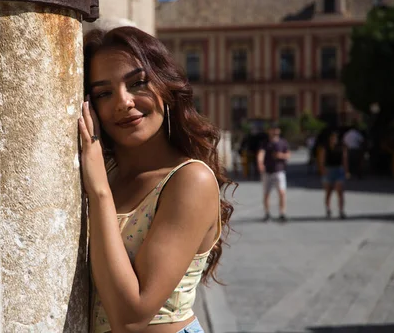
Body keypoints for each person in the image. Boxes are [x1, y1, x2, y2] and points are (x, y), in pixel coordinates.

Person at [78, 27, 234, 333]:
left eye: (137, 83)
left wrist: (99, 192)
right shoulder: (108, 173)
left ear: (165, 87)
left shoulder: (190, 179)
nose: (123, 102)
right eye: (103, 93)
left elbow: (130, 318)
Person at [257, 123, 291, 222]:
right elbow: (261, 153)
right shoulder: (265, 143)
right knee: (266, 193)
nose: (274, 132)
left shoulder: (283, 142)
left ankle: (282, 213)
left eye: (276, 130)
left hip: (279, 171)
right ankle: (267, 213)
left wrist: (281, 155)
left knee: (282, 192)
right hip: (267, 171)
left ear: (279, 131)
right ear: (269, 131)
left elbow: (288, 154)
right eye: (272, 129)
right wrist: (260, 163)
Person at [318, 131, 349, 219]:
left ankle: (341, 210)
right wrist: (322, 170)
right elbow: (321, 160)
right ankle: (328, 209)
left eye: (335, 138)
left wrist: (346, 171)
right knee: (329, 192)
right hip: (329, 170)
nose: (333, 140)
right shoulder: (325, 148)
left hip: (339, 170)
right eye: (332, 138)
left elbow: (344, 159)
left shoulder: (341, 148)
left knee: (340, 191)